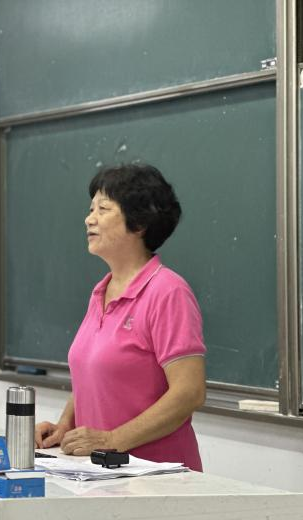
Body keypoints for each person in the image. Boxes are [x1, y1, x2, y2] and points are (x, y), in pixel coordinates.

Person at [34, 163, 206, 471]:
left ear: (139, 223)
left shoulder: (168, 292)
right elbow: (92, 375)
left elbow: (189, 392)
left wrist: (112, 439)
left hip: (157, 478)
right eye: (91, 209)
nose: (89, 218)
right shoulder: (101, 292)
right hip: (101, 475)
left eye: (103, 209)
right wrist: (65, 426)